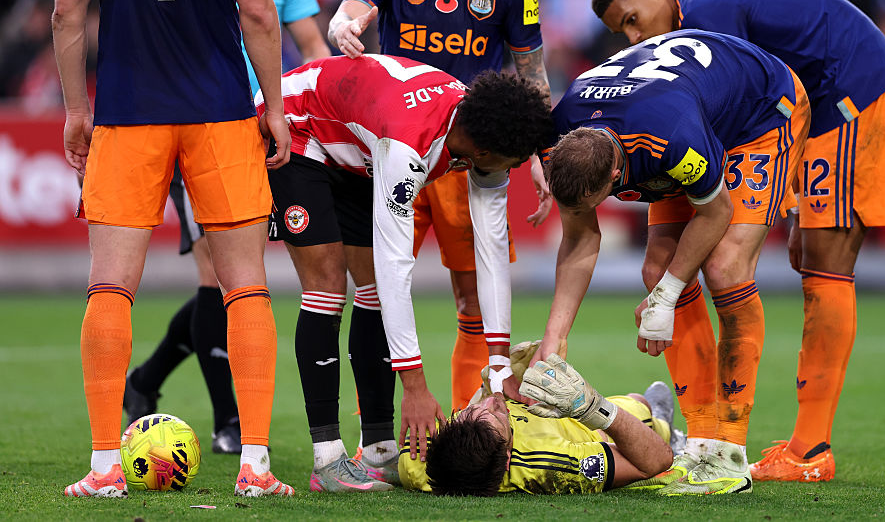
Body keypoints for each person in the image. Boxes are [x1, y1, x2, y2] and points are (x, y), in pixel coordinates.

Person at [590, 0, 885, 482]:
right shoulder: (704, 5)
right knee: (805, 257)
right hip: (815, 102)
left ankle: (810, 451)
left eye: (632, 20)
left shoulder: (709, 16)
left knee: (825, 263)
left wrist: (777, 203)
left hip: (854, 93)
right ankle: (712, 431)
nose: (632, 39)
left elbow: (754, 108)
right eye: (620, 32)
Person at [52, 0, 294, 498]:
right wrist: (273, 105)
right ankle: (256, 466)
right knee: (245, 285)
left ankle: (104, 464)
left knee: (110, 286)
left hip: (127, 109)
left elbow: (68, 11)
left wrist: (77, 108)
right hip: (216, 108)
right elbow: (257, 10)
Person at [326, 0, 553, 453]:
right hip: (393, 151)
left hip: (464, 157)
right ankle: (380, 439)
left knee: (471, 296)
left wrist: (540, 152)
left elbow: (532, 76)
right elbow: (354, 8)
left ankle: (466, 433)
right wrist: (343, 25)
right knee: (372, 291)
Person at [255, 54, 551, 492]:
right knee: (329, 287)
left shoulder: (478, 129)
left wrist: (500, 364)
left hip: (356, 144)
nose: (512, 170)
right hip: (299, 128)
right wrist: (414, 386)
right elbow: (397, 267)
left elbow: (487, 251)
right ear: (485, 153)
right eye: (511, 162)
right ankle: (328, 460)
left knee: (371, 288)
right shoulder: (409, 146)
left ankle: (377, 453)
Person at [121, 0, 332, 456]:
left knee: (236, 274)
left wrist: (327, 110)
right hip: (196, 122)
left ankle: (148, 378)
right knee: (218, 272)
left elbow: (310, 45)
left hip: (264, 127)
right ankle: (228, 423)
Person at [539, 29, 809, 495]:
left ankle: (728, 451)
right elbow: (580, 238)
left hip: (760, 111)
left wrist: (665, 296)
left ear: (618, 178)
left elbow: (717, 209)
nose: (586, 211)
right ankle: (700, 438)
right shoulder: (559, 136)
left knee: (724, 268)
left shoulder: (669, 140)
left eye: (595, 201)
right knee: (655, 271)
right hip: (685, 107)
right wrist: (554, 338)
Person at [400, 343, 675, 496]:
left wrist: (484, 394)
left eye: (470, 411)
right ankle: (668, 427)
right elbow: (654, 461)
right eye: (498, 415)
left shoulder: (415, 460)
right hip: (590, 433)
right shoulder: (550, 466)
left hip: (543, 414)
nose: (492, 401)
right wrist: (594, 408)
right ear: (507, 458)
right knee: (641, 403)